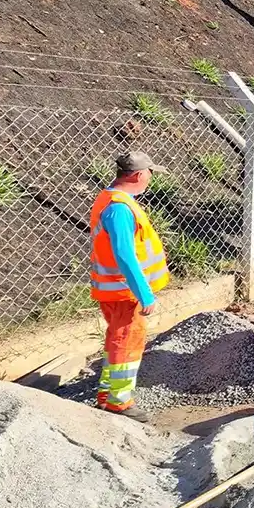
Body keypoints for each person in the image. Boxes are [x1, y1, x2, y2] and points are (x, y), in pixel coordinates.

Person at [87, 151, 170, 423]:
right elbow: (124, 255)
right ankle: (119, 402)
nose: (150, 178)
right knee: (128, 343)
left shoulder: (112, 199)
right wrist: (144, 293)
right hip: (124, 293)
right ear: (137, 175)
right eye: (149, 173)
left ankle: (106, 394)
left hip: (115, 290)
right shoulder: (119, 208)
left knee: (117, 340)